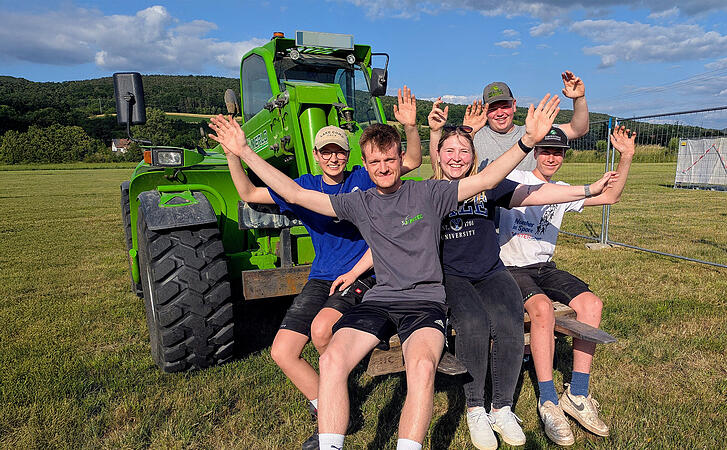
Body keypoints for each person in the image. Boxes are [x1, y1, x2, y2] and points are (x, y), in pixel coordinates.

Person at [209, 89, 563, 450]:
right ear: (365, 164)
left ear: (400, 159)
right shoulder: (358, 202)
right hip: (379, 299)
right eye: (375, 162)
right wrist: (244, 151)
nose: (383, 167)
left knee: (422, 368)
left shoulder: (428, 193)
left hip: (424, 302)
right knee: (331, 359)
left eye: (390, 159)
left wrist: (526, 140)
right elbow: (295, 194)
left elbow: (486, 181)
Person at [222, 87, 422, 450]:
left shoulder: (362, 179)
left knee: (321, 329)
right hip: (321, 276)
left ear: (348, 154)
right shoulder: (304, 187)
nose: (333, 157)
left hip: (363, 272)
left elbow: (410, 161)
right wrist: (233, 154)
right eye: (326, 152)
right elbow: (249, 194)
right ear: (316, 156)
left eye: (339, 151)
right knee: (282, 351)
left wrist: (410, 128)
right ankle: (330, 405)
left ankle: (335, 405)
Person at [427, 110, 616, 450]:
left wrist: (588, 189)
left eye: (464, 151)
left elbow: (537, 195)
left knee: (510, 320)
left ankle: (502, 408)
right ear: (438, 155)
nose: (456, 157)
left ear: (473, 156)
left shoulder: (488, 185)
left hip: (491, 271)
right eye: (449, 151)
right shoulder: (430, 191)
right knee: (472, 322)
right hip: (453, 275)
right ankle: (475, 409)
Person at [497, 125, 636, 446]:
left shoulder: (562, 189)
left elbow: (611, 196)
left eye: (557, 152)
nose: (551, 157)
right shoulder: (517, 178)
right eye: (545, 150)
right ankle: (548, 400)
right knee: (542, 309)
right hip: (511, 267)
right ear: (535, 152)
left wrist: (626, 156)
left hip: (544, 267)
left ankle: (577, 393)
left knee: (592, 304)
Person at [429, 72, 588, 172]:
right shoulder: (473, 136)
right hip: (489, 214)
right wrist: (436, 131)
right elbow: (440, 167)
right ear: (485, 110)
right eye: (493, 108)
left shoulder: (533, 131)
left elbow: (578, 129)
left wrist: (579, 99)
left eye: (504, 106)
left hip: (527, 212)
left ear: (514, 105)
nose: (500, 113)